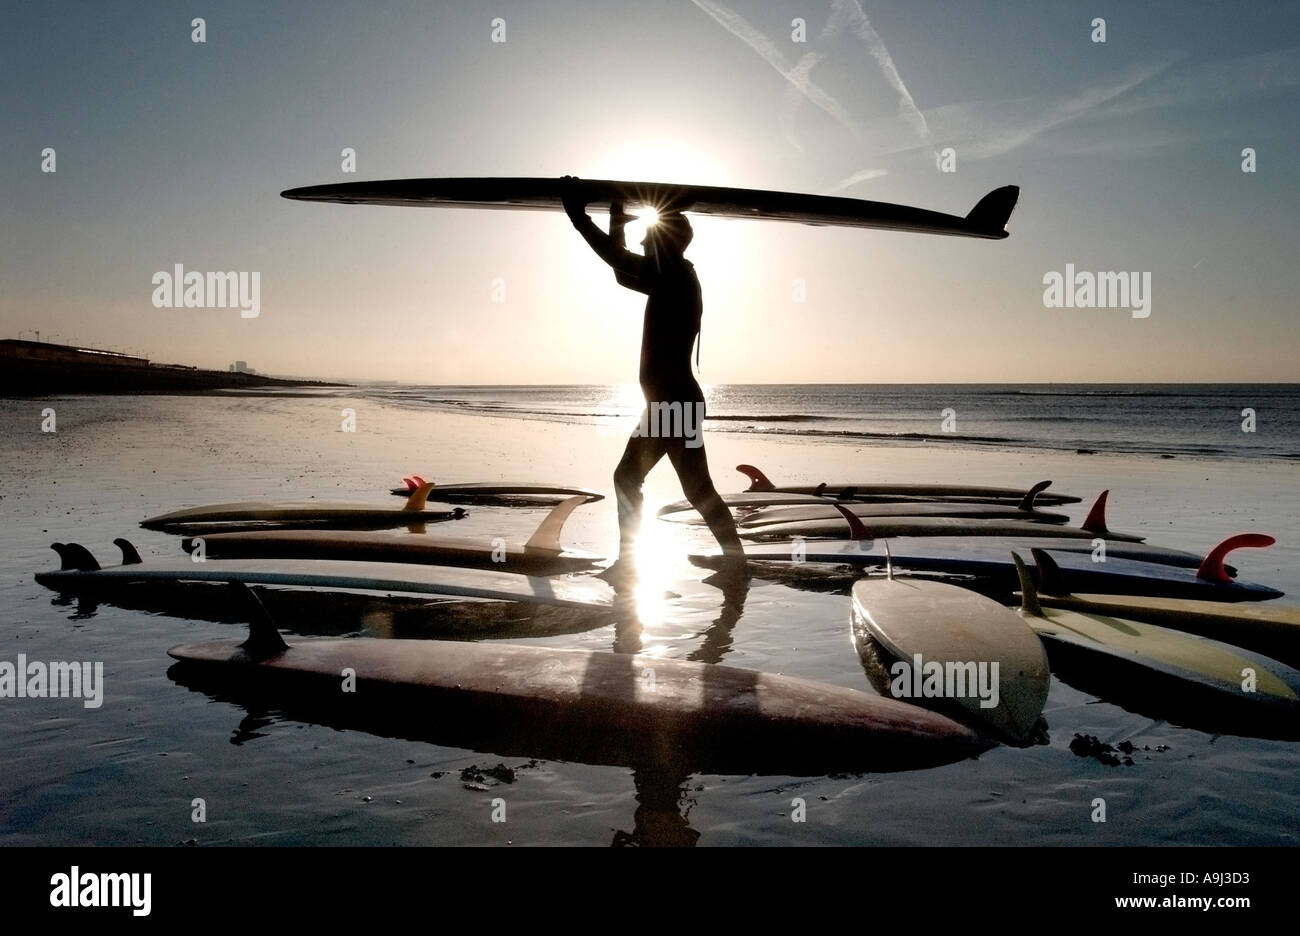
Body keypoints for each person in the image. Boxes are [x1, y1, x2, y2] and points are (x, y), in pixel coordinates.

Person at [561, 177, 744, 583]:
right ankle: (737, 564)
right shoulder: (675, 276)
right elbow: (622, 272)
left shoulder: (674, 277)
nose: (643, 246)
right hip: (678, 401)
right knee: (697, 489)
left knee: (628, 477)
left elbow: (617, 259)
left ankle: (629, 565)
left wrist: (579, 218)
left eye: (648, 240)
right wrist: (615, 217)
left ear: (665, 244)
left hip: (672, 403)